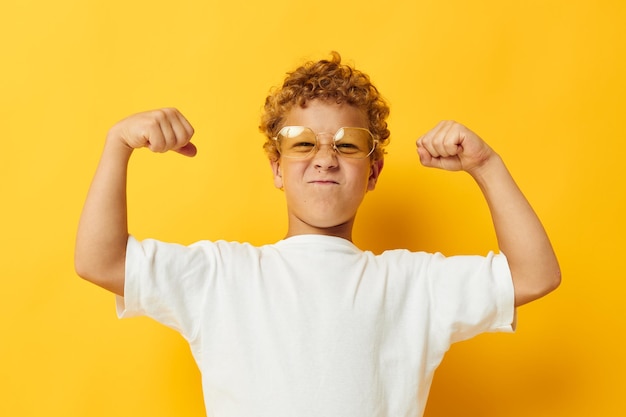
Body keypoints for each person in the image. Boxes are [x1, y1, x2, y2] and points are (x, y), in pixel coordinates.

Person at [75, 52, 561, 417]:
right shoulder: (223, 276)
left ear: (373, 172)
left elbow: (535, 275)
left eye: (348, 145)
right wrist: (117, 145)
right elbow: (101, 262)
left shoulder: (413, 284)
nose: (325, 157)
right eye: (302, 143)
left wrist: (486, 166)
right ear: (277, 168)